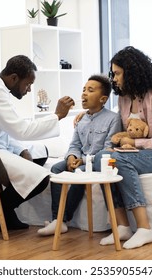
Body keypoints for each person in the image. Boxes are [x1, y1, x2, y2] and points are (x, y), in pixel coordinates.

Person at [0, 55, 75, 232]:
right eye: (28, 84)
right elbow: (21, 130)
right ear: (14, 78)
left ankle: (4, 210)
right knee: (40, 178)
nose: (29, 90)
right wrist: (57, 115)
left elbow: (4, 127)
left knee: (40, 154)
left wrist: (22, 149)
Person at [92, 46, 152, 249]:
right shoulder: (124, 99)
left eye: (117, 73)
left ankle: (144, 228)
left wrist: (134, 144)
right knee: (102, 158)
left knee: (119, 159)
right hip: (137, 154)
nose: (113, 78)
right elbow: (117, 127)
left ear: (131, 72)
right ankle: (122, 226)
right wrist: (87, 115)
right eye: (113, 73)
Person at [37, 74, 122, 236]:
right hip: (78, 159)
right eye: (83, 89)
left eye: (90, 90)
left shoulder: (113, 119)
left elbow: (107, 148)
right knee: (55, 169)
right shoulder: (81, 119)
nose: (84, 93)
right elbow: (74, 144)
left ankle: (61, 220)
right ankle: (56, 219)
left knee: (80, 172)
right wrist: (71, 157)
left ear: (103, 99)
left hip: (93, 162)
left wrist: (81, 160)